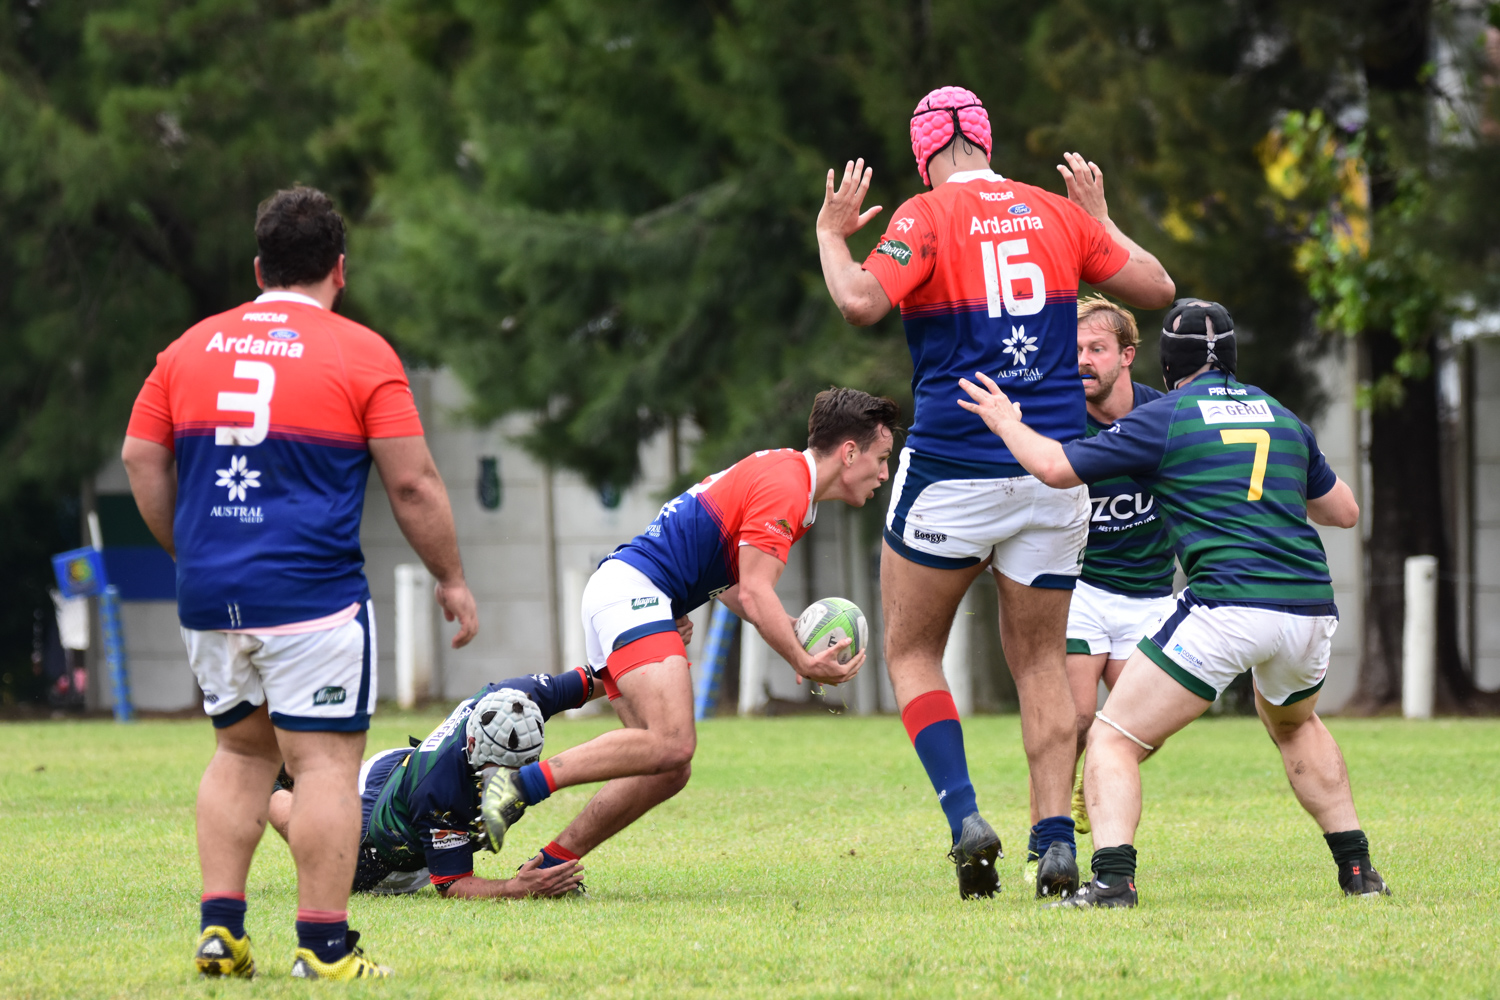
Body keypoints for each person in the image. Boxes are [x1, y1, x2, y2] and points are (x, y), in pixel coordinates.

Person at [815, 85, 1176, 899]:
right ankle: (1054, 845)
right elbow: (1156, 287)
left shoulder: (924, 215)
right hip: (1052, 468)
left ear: (923, 155)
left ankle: (964, 818)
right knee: (1042, 660)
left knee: (911, 651)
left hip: (952, 465)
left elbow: (858, 302)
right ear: (988, 141)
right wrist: (1101, 214)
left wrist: (832, 237)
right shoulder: (1055, 212)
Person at [122, 187, 479, 980]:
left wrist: (191, 549)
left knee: (239, 754)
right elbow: (414, 485)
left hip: (211, 596)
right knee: (322, 766)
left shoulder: (188, 349)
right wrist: (450, 577)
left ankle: (221, 933)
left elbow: (140, 457)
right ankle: (323, 948)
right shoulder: (361, 353)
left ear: (258, 267)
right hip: (312, 597)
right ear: (339, 271)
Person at [956, 298, 1391, 908]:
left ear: (1162, 363)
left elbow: (1055, 467)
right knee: (1294, 725)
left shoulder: (1168, 416)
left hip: (1228, 606)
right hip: (1309, 608)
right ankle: (1359, 873)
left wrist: (1004, 419)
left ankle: (1111, 883)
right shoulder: (1280, 415)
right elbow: (1343, 511)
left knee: (1111, 740)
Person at [479, 388, 896, 872]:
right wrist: (799, 659)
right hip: (633, 593)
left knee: (667, 768)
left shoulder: (787, 477)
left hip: (629, 594)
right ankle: (514, 786)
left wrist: (793, 636)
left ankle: (550, 865)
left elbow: (737, 586)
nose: (884, 473)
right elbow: (758, 592)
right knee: (673, 740)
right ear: (849, 453)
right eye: (881, 458)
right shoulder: (787, 485)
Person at [268, 669, 601, 900]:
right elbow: (453, 885)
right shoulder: (440, 792)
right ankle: (265, 780)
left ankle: (297, 763)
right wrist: (516, 887)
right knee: (297, 816)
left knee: (326, 774)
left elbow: (597, 676)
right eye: (497, 771)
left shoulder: (517, 696)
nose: (507, 782)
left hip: (395, 769)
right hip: (372, 846)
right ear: (474, 746)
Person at [1052, 296, 1176, 858]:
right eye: (1074, 350)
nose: (1082, 360)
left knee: (1137, 728)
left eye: (1095, 349)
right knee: (1074, 719)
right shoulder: (1057, 418)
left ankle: (1090, 785)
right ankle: (1049, 840)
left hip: (1150, 594)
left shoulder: (1165, 415)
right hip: (1081, 590)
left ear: (1126, 355)